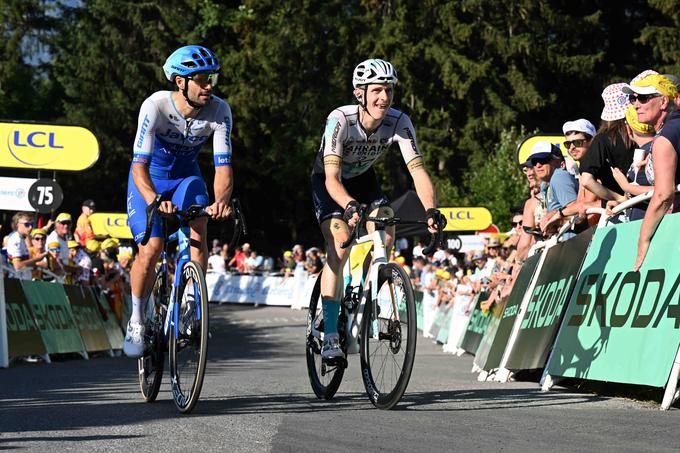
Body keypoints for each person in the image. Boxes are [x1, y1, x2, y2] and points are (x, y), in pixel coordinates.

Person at [310, 58, 445, 360]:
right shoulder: (340, 119)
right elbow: (332, 178)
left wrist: (431, 210)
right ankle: (330, 332)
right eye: (377, 91)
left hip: (364, 181)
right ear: (360, 93)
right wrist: (347, 205)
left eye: (389, 91)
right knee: (339, 246)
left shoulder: (399, 121)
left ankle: (369, 295)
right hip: (331, 183)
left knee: (385, 235)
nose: (384, 97)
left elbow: (418, 171)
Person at [124, 45, 234, 357]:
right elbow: (138, 165)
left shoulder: (219, 110)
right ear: (180, 82)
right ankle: (136, 320)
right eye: (201, 79)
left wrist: (222, 200)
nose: (209, 85)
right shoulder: (155, 106)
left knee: (199, 227)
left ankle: (193, 309)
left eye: (211, 77)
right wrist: (153, 199)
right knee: (152, 249)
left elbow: (223, 167)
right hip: (149, 181)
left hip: (187, 177)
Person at [621, 74, 679, 270]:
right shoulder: (670, 131)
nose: (636, 104)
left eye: (643, 98)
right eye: (633, 98)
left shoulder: (666, 137)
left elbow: (663, 195)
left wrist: (643, 238)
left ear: (663, 101)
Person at [6, 213, 47, 280]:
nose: (30, 227)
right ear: (17, 224)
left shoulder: (22, 238)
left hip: (23, 280)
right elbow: (18, 266)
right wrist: (36, 259)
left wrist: (35, 265)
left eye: (32, 224)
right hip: (17, 282)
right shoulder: (17, 240)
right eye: (27, 224)